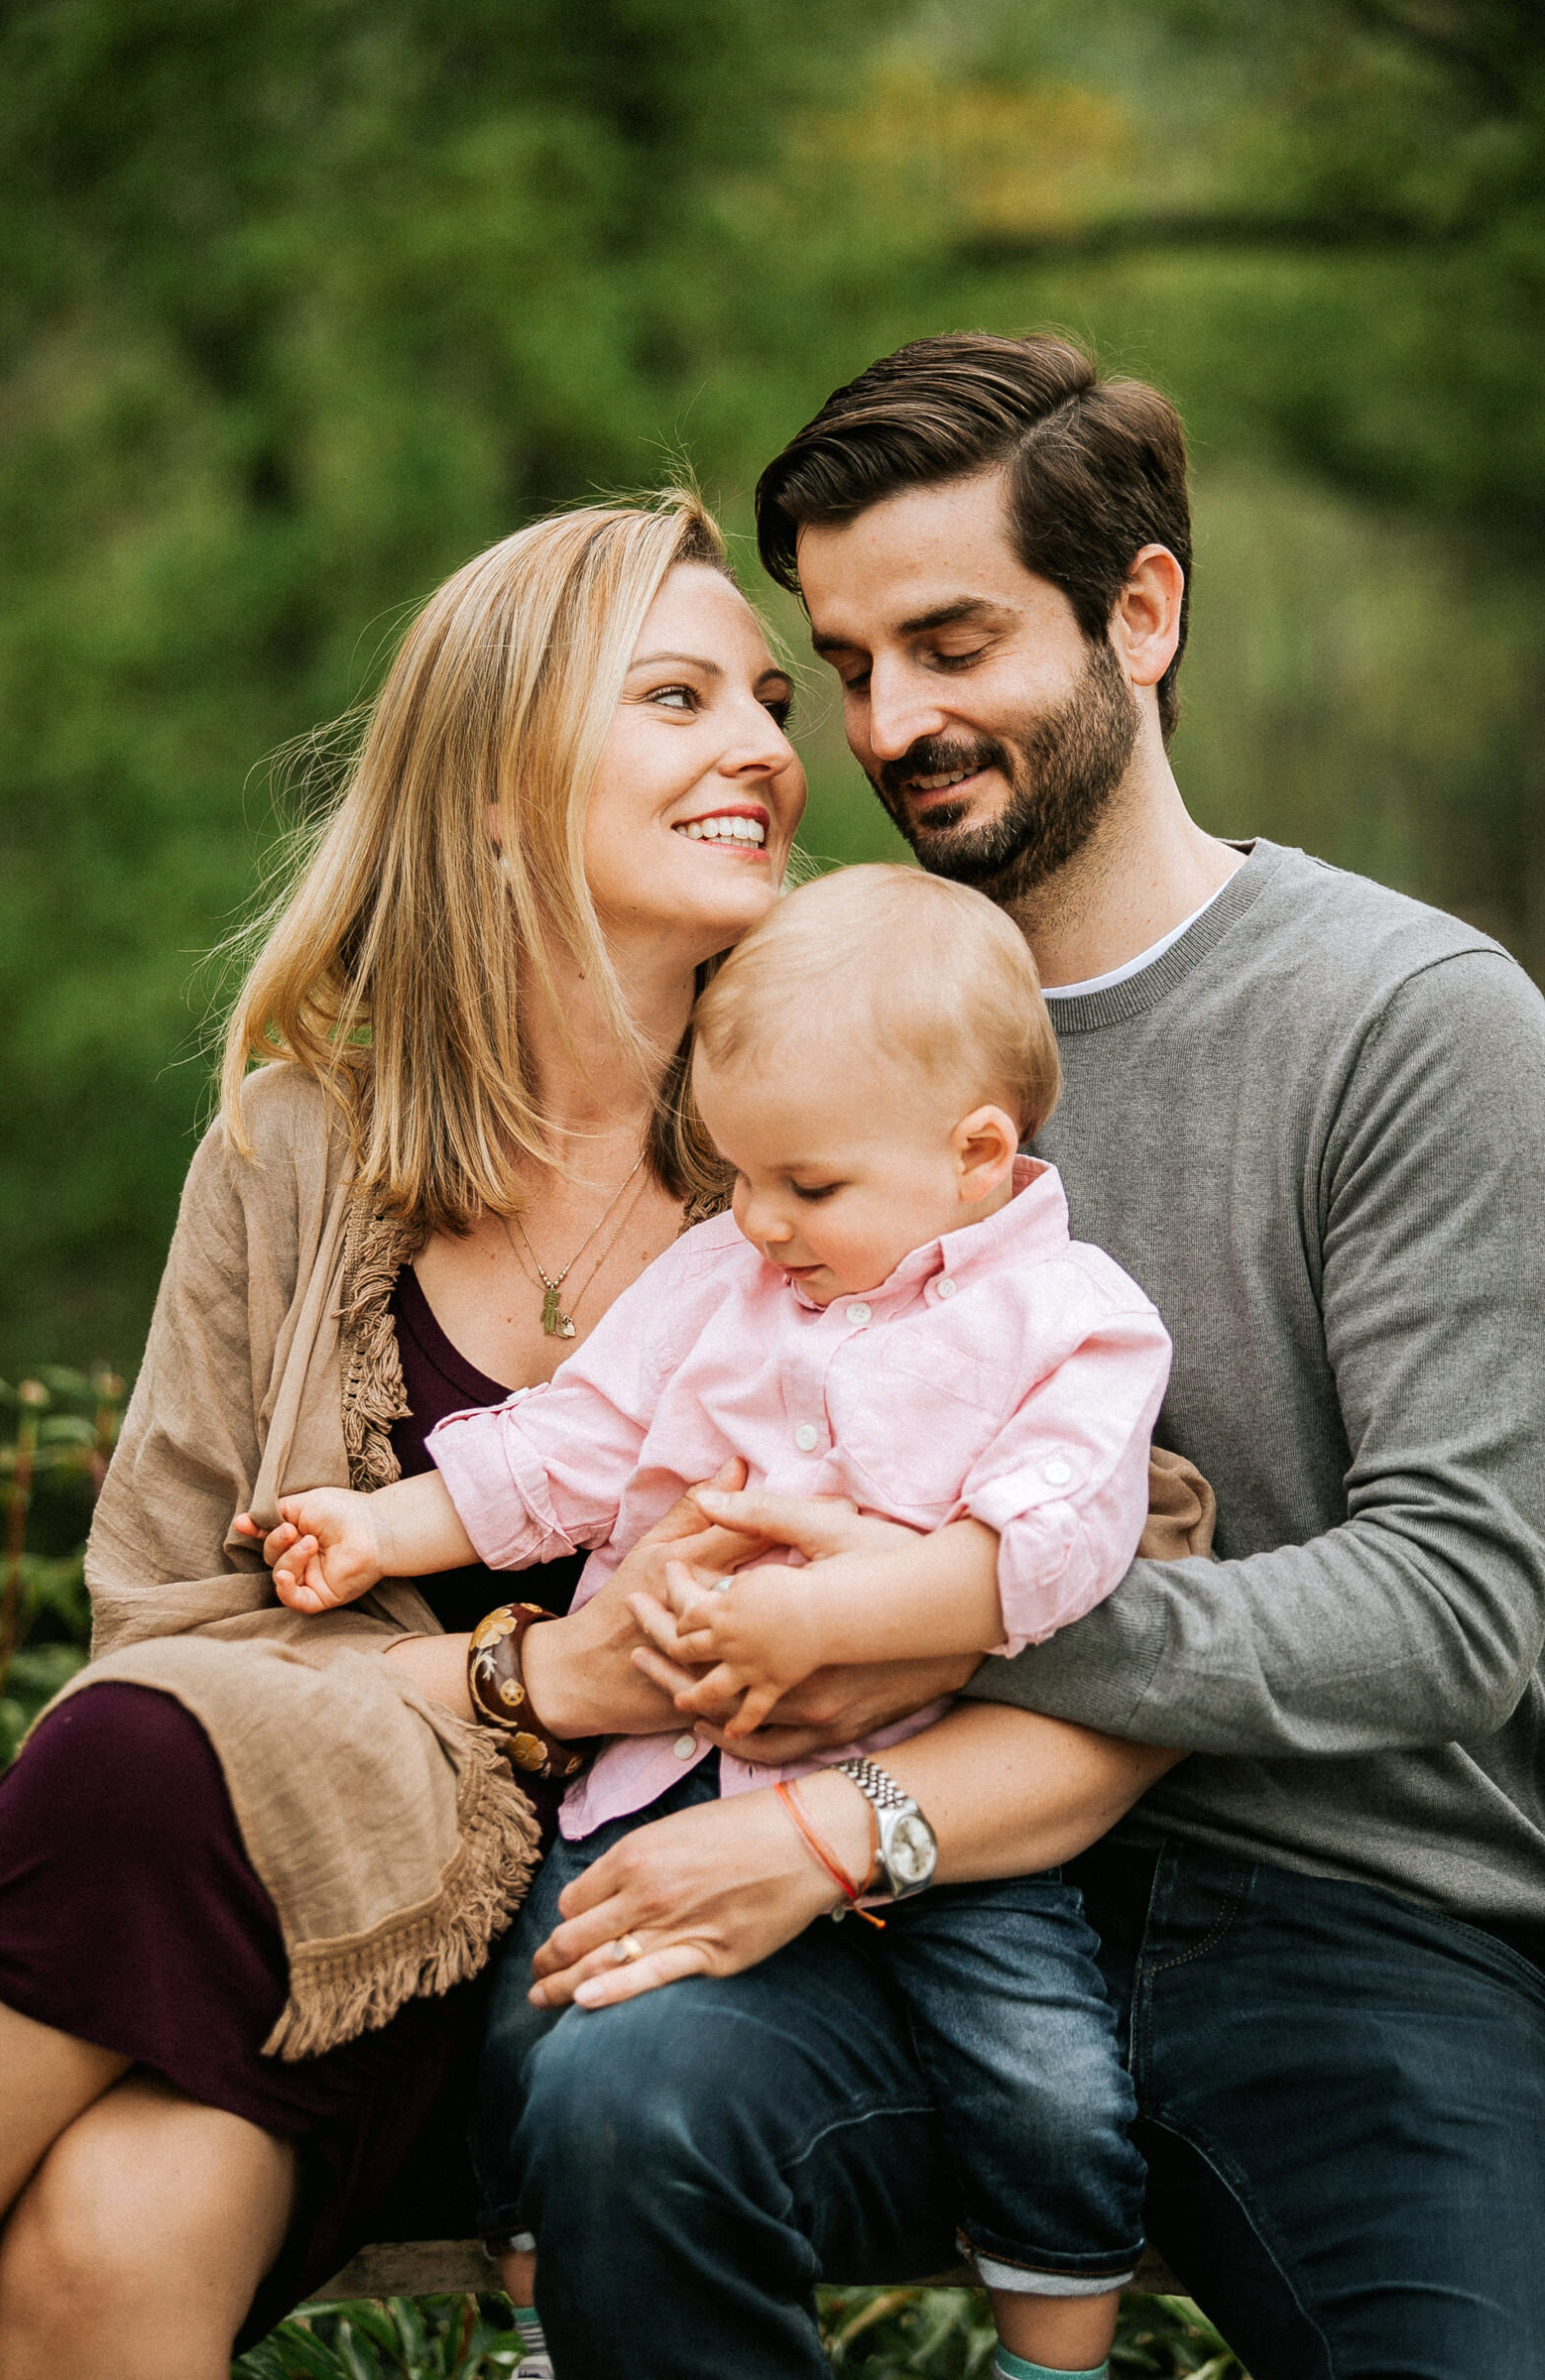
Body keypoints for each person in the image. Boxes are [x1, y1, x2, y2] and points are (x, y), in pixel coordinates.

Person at [498, 335, 1545, 2380]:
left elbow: (1453, 1611)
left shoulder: (1411, 1023)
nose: (891, 722)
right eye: (850, 661)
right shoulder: (791, 1022)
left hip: (1342, 1921)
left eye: (952, 642)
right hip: (881, 1910)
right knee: (626, 2114)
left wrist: (924, 1618)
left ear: (1137, 612)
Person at [0, 489, 847, 2375]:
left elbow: (1022, 1530)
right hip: (316, 1935)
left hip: (662, 1957)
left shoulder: (850, 1155)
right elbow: (171, 1645)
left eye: (769, 701)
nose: (769, 748)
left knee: (125, 1774)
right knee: (109, 2239)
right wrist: (541, 1676)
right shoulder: (299, 1146)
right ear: (504, 780)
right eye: (678, 698)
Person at [245, 862, 1182, 2380]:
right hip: (668, 1767)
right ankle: (548, 2317)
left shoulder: (1072, 1319)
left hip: (938, 1795)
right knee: (540, 1998)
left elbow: (1057, 1542)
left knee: (1048, 2073)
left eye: (805, 1188)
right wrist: (377, 1526)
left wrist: (830, 1622)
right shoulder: (725, 1275)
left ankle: (1056, 2350)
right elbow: (575, 1444)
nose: (757, 1220)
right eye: (739, 1176)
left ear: (978, 1154)